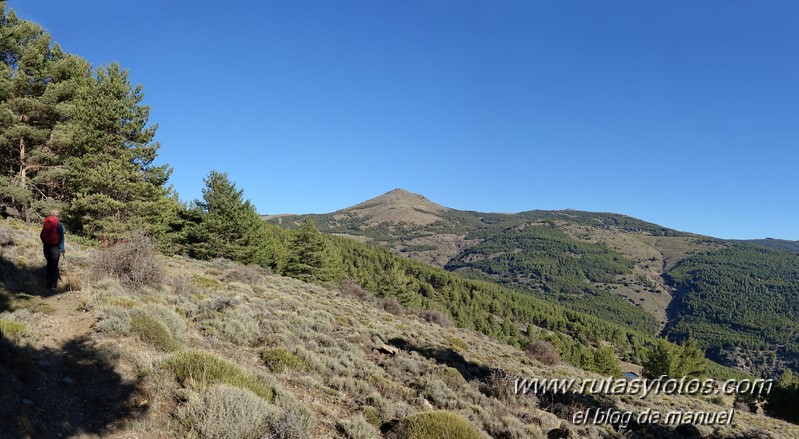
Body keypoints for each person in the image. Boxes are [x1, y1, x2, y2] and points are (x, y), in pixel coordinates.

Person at [40, 210, 65, 292]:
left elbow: (42, 235)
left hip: (46, 246)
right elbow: (62, 238)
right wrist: (62, 248)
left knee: (49, 264)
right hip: (55, 248)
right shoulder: (59, 225)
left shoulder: (46, 222)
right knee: (54, 266)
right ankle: (53, 286)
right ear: (57, 216)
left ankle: (48, 282)